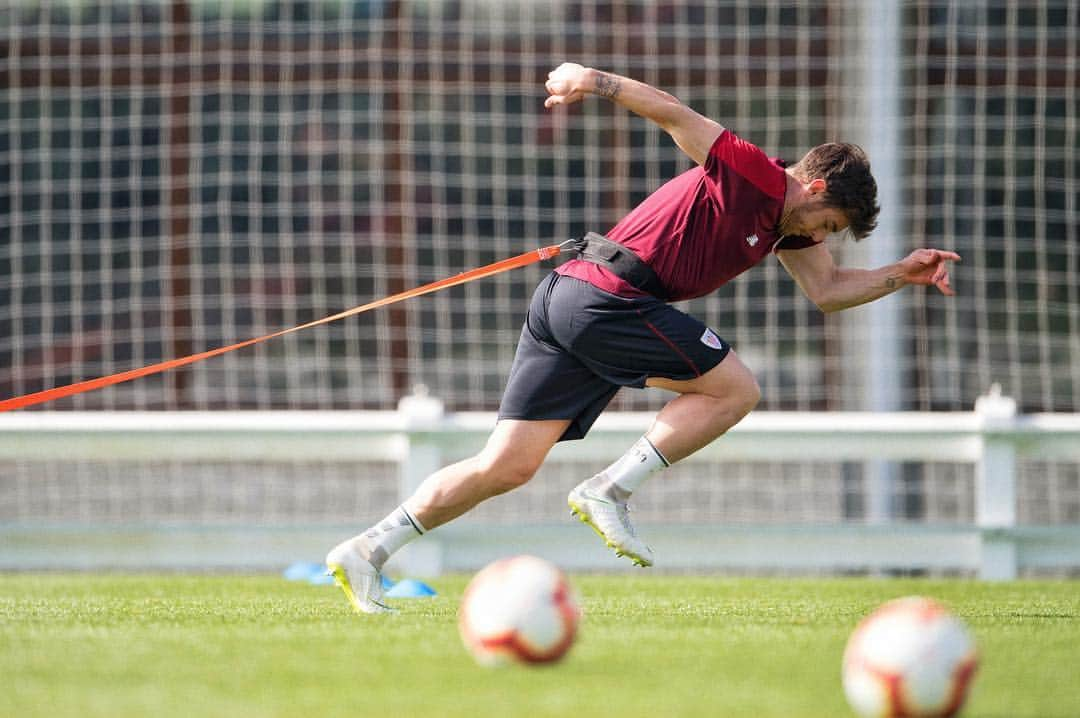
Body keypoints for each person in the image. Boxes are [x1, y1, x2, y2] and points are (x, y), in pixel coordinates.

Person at [325, 62, 960, 613]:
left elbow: (827, 292)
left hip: (572, 298)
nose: (826, 233)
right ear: (817, 188)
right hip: (604, 300)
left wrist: (899, 276)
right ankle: (608, 489)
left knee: (507, 465)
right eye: (832, 221)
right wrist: (588, 80)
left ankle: (366, 550)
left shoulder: (785, 227)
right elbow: (672, 112)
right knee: (736, 389)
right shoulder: (755, 176)